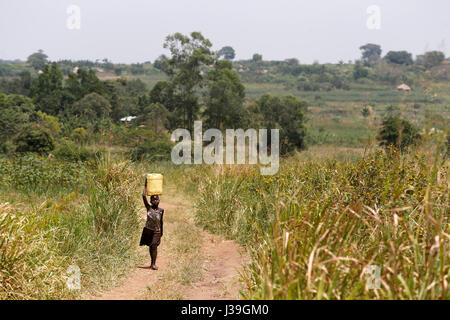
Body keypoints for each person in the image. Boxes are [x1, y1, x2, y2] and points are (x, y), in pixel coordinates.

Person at [139, 179, 164, 270]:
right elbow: (143, 195)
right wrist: (146, 185)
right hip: (149, 230)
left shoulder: (161, 211)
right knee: (151, 246)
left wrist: (161, 231)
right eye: (153, 199)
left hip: (157, 231)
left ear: (159, 200)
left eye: (156, 199)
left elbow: (161, 221)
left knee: (154, 246)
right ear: (150, 201)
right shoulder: (148, 208)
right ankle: (151, 263)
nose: (155, 201)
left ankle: (153, 264)